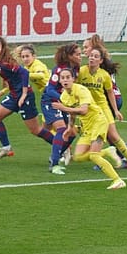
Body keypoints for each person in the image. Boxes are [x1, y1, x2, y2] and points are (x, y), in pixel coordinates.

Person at [53, 67, 126, 190]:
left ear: (73, 79)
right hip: (87, 127)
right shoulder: (64, 96)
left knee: (93, 155)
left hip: (98, 122)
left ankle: (117, 180)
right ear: (59, 81)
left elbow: (83, 110)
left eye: (68, 77)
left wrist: (64, 108)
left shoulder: (81, 90)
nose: (65, 80)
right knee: (78, 157)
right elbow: (72, 113)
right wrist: (70, 127)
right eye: (63, 78)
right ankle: (108, 151)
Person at [0, 36, 55, 160]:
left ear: (2, 48)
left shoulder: (5, 63)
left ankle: (62, 147)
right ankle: (6, 148)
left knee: (36, 130)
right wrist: (4, 90)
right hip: (14, 96)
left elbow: (24, 73)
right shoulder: (0, 61)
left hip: (25, 97)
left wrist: (24, 94)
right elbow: (14, 79)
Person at [78, 47, 127, 171]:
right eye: (91, 56)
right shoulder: (81, 72)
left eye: (95, 56)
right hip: (89, 109)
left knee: (113, 135)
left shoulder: (104, 75)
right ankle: (99, 161)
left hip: (103, 107)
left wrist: (116, 110)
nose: (92, 58)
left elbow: (110, 93)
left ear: (101, 60)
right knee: (95, 136)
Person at [44, 42, 83, 174]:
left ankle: (56, 155)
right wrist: (62, 98)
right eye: (77, 54)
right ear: (69, 56)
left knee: (71, 133)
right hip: (51, 102)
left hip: (65, 103)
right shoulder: (59, 70)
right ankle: (54, 164)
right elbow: (49, 89)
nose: (80, 56)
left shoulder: (76, 68)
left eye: (81, 54)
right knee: (61, 129)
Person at [18, 44, 51, 124]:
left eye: (27, 56)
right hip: (47, 93)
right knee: (48, 120)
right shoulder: (27, 67)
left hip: (52, 91)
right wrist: (4, 90)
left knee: (49, 120)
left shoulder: (37, 65)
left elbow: (41, 75)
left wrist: (26, 74)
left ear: (34, 56)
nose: (25, 59)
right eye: (23, 57)